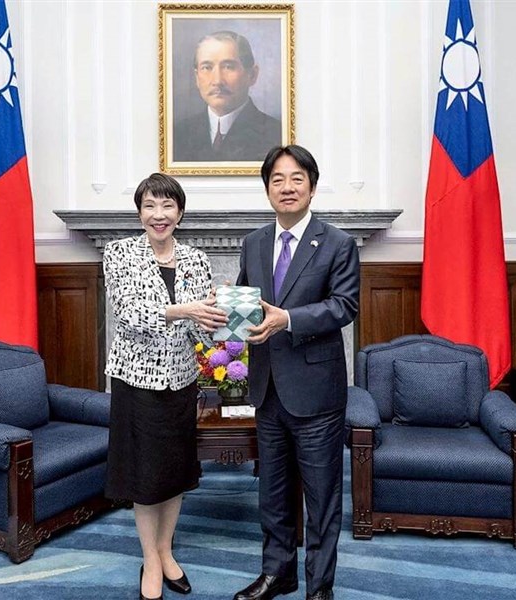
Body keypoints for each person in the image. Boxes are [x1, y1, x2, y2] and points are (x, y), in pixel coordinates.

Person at [233, 146, 360, 600]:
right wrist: (227, 318)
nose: (287, 188)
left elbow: (344, 306)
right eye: (277, 180)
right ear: (267, 189)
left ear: (312, 186)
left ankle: (319, 587)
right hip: (267, 389)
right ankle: (278, 573)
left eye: (296, 179)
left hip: (316, 392)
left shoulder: (338, 243)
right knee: (273, 492)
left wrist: (287, 319)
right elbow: (248, 303)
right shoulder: (253, 242)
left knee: (321, 497)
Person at [103, 173, 228, 600]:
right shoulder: (119, 253)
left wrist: (220, 314)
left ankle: (165, 549)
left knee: (174, 472)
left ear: (180, 212)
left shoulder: (195, 259)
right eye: (150, 206)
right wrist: (186, 309)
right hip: (137, 380)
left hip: (181, 379)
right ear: (140, 212)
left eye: (168, 205)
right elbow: (129, 313)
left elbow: (201, 329)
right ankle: (150, 560)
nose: (159, 215)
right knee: (145, 474)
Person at [173, 30, 282, 163]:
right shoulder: (177, 134)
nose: (217, 81)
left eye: (228, 67)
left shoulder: (277, 134)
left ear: (252, 75)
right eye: (207, 67)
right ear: (197, 77)